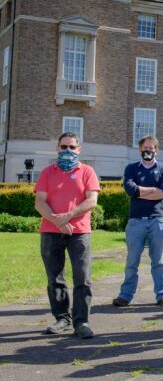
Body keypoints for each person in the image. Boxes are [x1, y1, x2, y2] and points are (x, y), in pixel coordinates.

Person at [34, 132, 100, 339]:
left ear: (79, 150)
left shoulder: (87, 171)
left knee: (83, 277)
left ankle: (81, 322)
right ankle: (62, 318)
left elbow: (92, 201)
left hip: (79, 232)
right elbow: (40, 202)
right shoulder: (47, 172)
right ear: (57, 148)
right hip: (51, 232)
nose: (68, 151)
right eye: (64, 147)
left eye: (72, 147)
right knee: (55, 278)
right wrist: (56, 221)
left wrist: (69, 216)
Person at [113, 135, 163, 308]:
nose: (148, 151)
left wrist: (141, 191)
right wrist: (152, 190)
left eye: (151, 148)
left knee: (158, 261)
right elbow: (131, 190)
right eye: (145, 148)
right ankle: (125, 295)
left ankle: (162, 295)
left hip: (157, 221)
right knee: (132, 261)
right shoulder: (131, 168)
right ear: (140, 150)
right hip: (136, 222)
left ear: (156, 150)